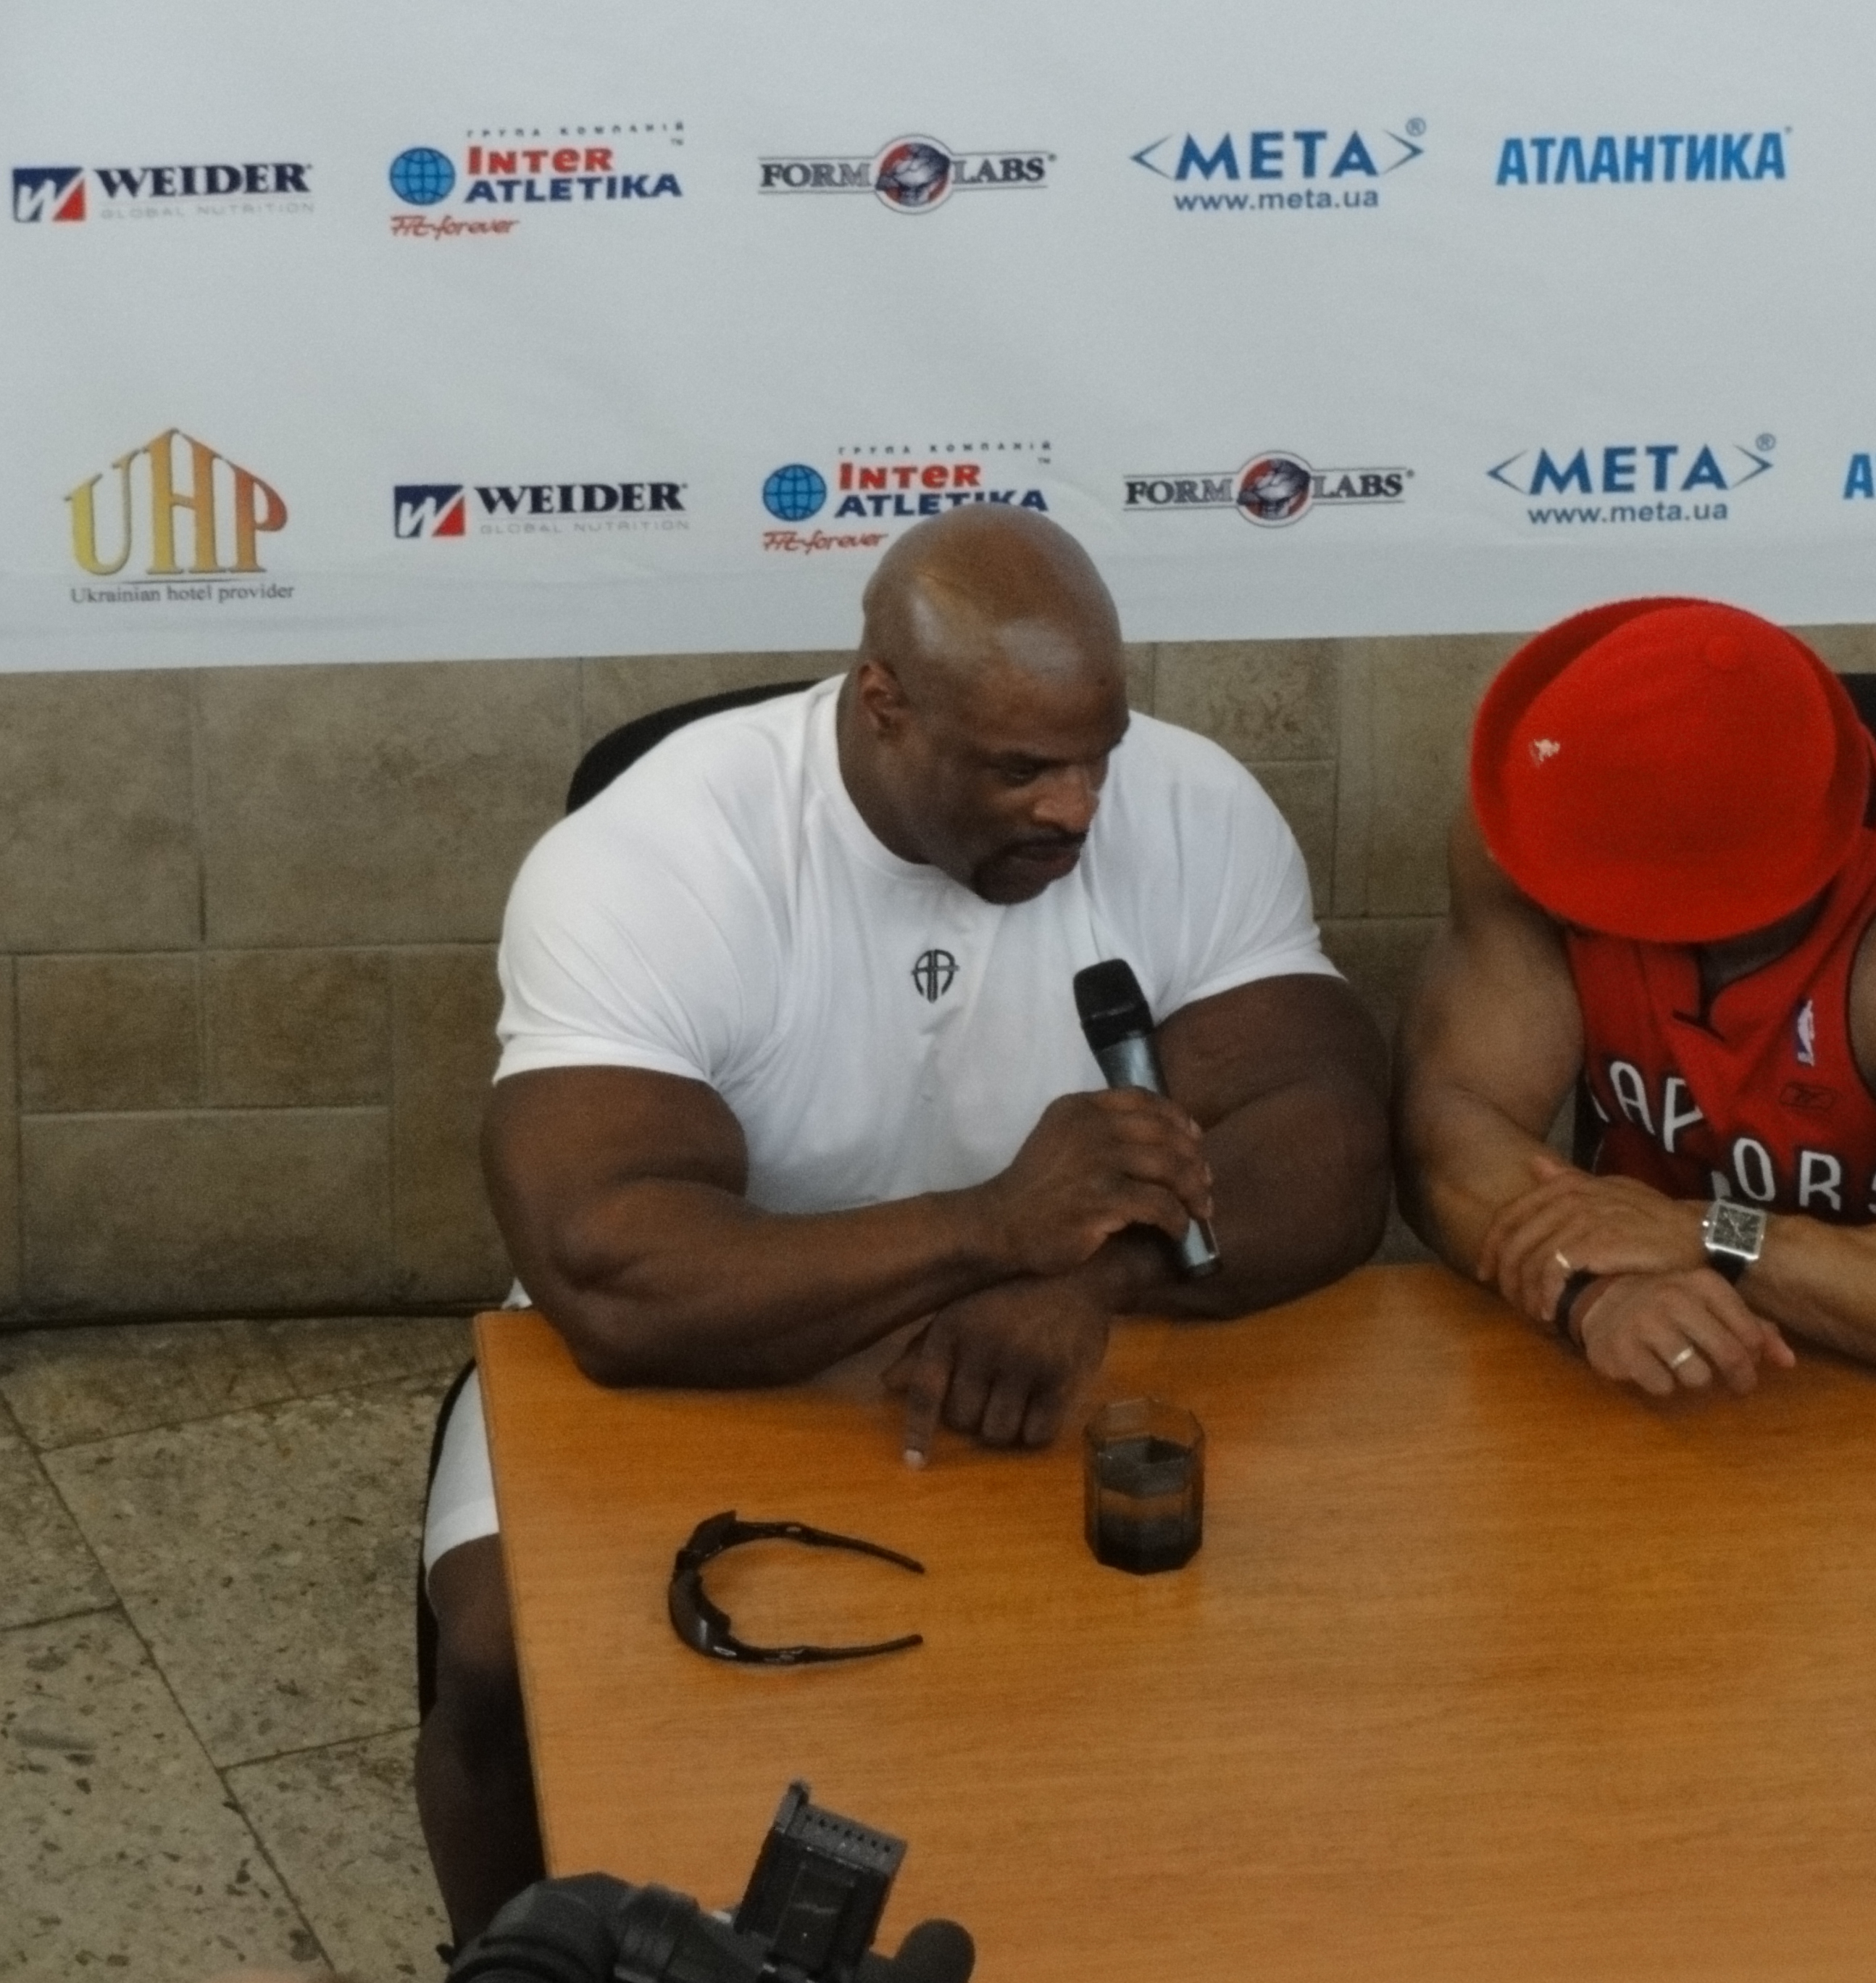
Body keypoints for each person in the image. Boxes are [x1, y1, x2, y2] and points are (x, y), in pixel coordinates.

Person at [417, 507, 1388, 1941]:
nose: (1076, 810)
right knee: (508, 1656)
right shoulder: (660, 853)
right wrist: (992, 1229)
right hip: (723, 1352)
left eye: (1097, 757)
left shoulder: (1195, 807)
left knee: (1268, 1630)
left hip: (1057, 1336)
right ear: (883, 703)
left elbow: (1330, 1140)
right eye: (1018, 769)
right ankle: (516, 1961)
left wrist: (1096, 1281)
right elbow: (611, 1275)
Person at [1396, 597, 1876, 1408]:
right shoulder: (1531, 827)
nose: (1550, 885)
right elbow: (1449, 1123)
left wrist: (1713, 1235)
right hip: (1663, 1363)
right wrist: (1595, 1290)